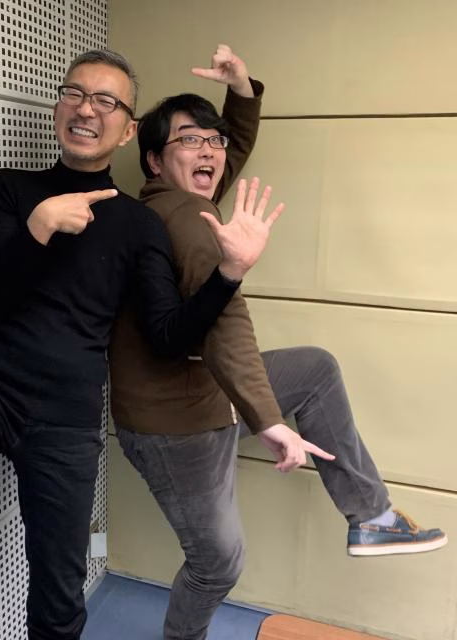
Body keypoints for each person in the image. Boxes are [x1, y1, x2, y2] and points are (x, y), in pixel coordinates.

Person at [0, 49, 271, 640]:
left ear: (128, 131)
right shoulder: (12, 190)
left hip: (66, 415)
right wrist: (38, 229)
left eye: (106, 101)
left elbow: (168, 338)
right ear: (58, 108)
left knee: (59, 598)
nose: (86, 109)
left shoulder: (139, 224)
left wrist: (229, 273)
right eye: (74, 93)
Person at [108, 44, 447, 640]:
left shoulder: (184, 200)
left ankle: (371, 516)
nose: (210, 150)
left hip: (193, 395)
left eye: (213, 140)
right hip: (174, 425)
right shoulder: (189, 223)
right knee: (217, 564)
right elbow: (224, 326)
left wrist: (240, 91)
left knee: (313, 369)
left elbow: (228, 150)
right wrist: (267, 419)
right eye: (190, 141)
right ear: (155, 160)